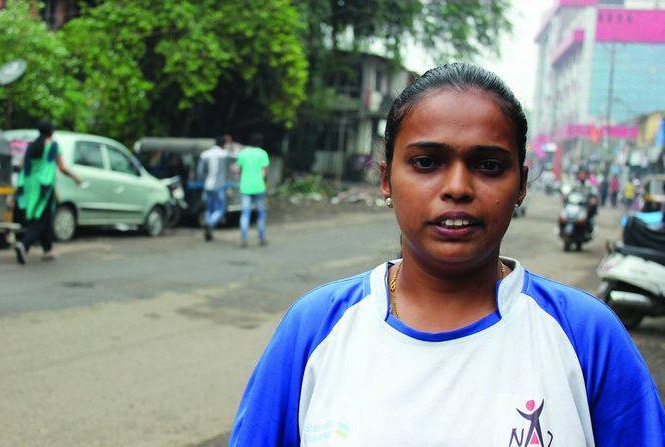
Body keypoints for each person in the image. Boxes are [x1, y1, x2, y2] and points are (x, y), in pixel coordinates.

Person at [229, 64, 664, 446]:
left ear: (522, 184)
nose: (457, 186)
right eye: (426, 162)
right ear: (385, 179)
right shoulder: (315, 329)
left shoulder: (587, 337)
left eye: (489, 166)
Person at [14, 119, 81, 265]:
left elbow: (19, 165)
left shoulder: (31, 146)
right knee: (43, 220)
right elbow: (62, 167)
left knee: (38, 218)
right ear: (51, 131)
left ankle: (47, 250)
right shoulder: (53, 146)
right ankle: (24, 244)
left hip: (29, 187)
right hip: (44, 189)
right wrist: (76, 178)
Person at [235, 133, 269, 247]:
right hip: (259, 186)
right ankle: (261, 238)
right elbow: (264, 173)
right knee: (261, 213)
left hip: (245, 187)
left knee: (245, 213)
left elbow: (238, 170)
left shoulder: (243, 153)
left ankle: (244, 239)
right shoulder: (263, 153)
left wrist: (241, 179)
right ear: (260, 143)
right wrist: (265, 183)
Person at [197, 138, 230, 241]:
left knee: (209, 209)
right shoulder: (224, 154)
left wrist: (204, 180)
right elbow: (228, 171)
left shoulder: (204, 154)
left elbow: (200, 172)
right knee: (220, 209)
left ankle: (209, 233)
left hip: (207, 185)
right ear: (223, 144)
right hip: (219, 186)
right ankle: (209, 223)